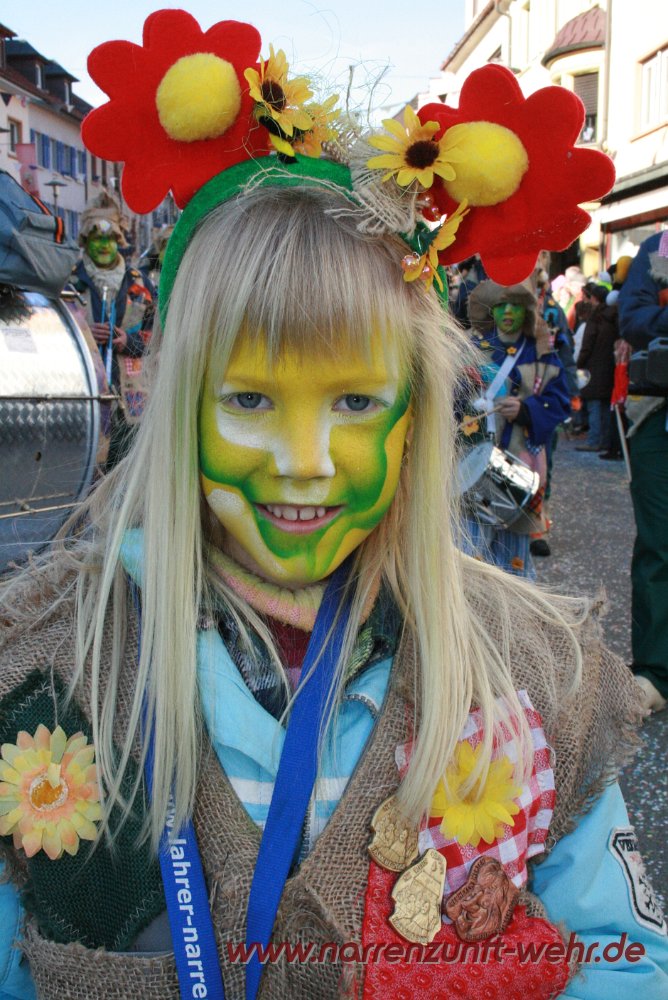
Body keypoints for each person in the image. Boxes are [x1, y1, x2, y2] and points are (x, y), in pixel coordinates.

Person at [0, 10, 665, 1000]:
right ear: (175, 404)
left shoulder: (527, 673)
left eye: (353, 402)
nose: (304, 464)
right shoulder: (48, 662)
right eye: (249, 400)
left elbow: (625, 960)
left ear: (415, 416)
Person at [462, 280, 570, 578]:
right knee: (469, 552)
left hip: (519, 465)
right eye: (500, 306)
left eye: (514, 306)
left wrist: (526, 410)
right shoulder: (471, 350)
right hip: (473, 463)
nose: (508, 312)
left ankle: (515, 605)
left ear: (526, 311)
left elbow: (560, 402)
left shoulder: (541, 353)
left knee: (514, 559)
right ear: (491, 311)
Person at [618, 232, 668, 713]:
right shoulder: (660, 247)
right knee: (659, 542)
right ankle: (656, 671)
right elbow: (632, 319)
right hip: (659, 419)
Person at [70, 192, 153, 469]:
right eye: (97, 238)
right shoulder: (70, 283)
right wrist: (83, 337)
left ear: (119, 240)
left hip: (133, 403)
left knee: (128, 474)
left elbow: (161, 339)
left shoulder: (140, 285)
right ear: (86, 240)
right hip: (85, 400)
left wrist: (129, 341)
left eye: (110, 238)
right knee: (89, 476)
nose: (104, 245)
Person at [575, 284, 618, 453]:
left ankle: (593, 441)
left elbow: (587, 345)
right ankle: (605, 441)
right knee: (606, 405)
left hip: (593, 366)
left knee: (594, 405)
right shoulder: (613, 317)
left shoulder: (595, 318)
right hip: (609, 366)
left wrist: (579, 363)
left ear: (594, 298)